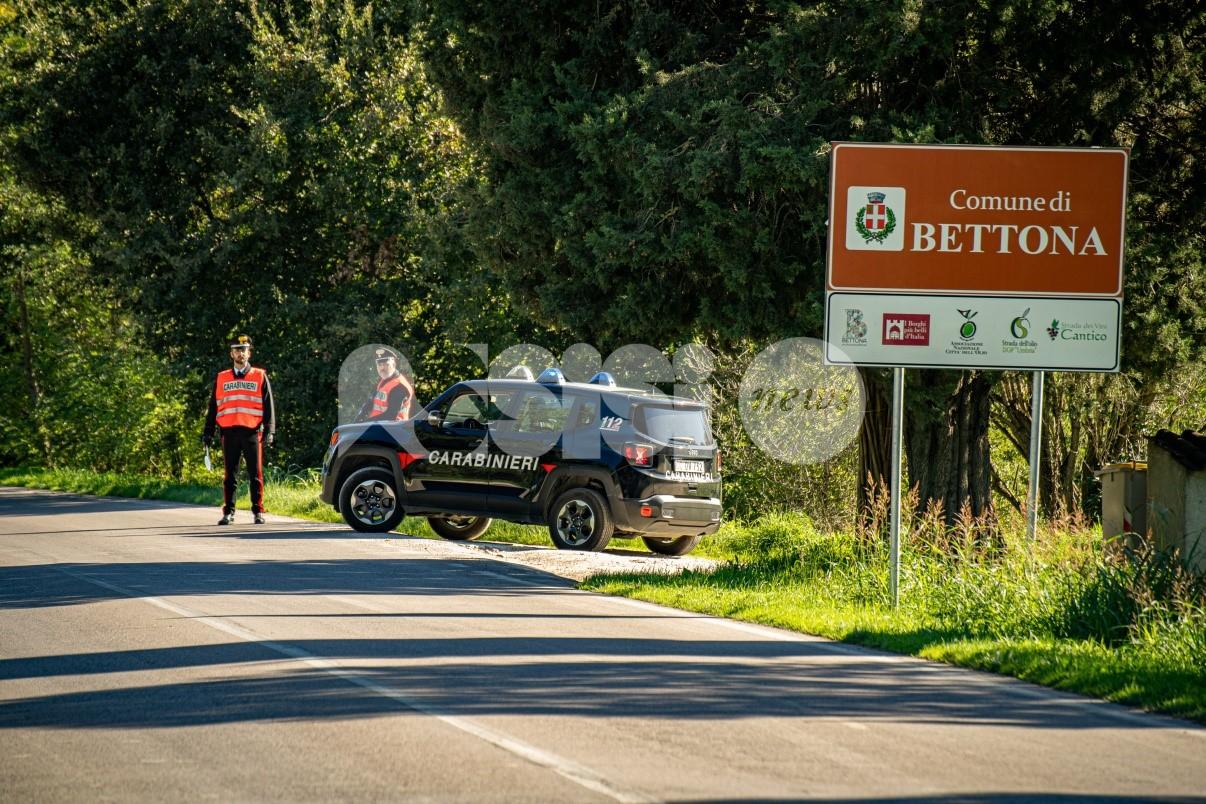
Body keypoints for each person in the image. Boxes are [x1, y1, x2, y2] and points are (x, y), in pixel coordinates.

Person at [202, 334, 275, 525]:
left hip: (252, 432)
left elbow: (269, 406)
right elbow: (213, 406)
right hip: (229, 432)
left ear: (249, 353)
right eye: (236, 350)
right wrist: (208, 431)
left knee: (255, 475)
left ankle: (258, 512)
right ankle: (228, 513)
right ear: (231, 354)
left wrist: (270, 430)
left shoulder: (259, 375)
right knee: (230, 475)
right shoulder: (222, 377)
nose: (240, 353)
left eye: (243, 350)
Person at [356, 347, 415, 422]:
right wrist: (359, 418)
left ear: (393, 364)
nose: (382, 368)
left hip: (394, 429)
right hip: (379, 425)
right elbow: (371, 401)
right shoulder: (385, 380)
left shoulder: (399, 386)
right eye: (379, 365)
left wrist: (366, 423)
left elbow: (391, 415)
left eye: (386, 364)